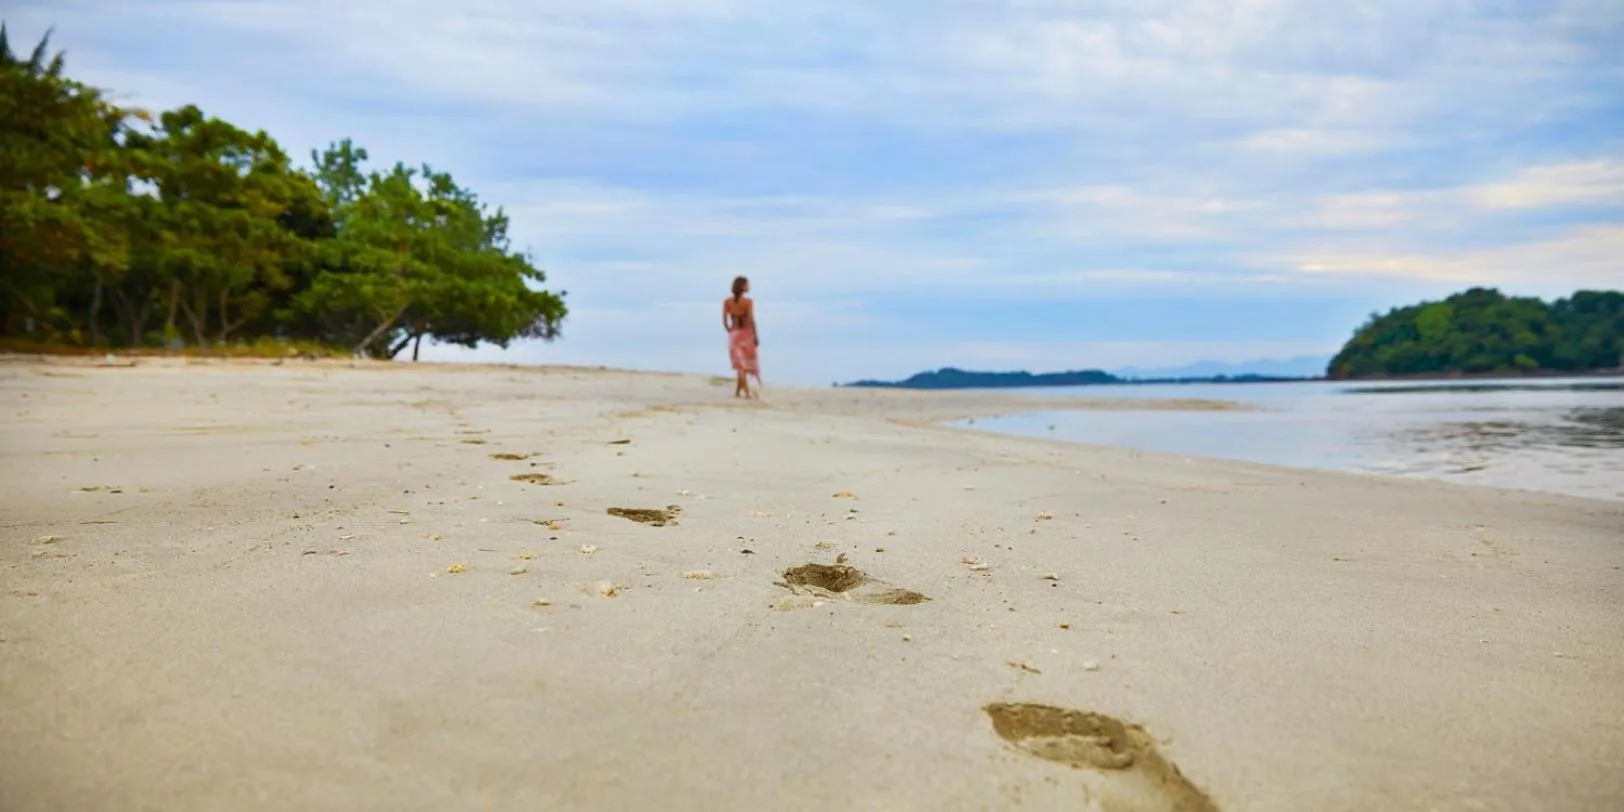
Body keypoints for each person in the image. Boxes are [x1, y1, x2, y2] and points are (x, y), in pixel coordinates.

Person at [722, 276, 760, 398]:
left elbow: (724, 321)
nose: (749, 286)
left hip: (735, 334)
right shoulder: (748, 302)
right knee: (744, 365)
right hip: (746, 334)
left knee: (740, 364)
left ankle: (738, 391)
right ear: (742, 286)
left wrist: (730, 330)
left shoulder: (727, 302)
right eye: (748, 284)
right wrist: (755, 335)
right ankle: (747, 392)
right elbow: (751, 320)